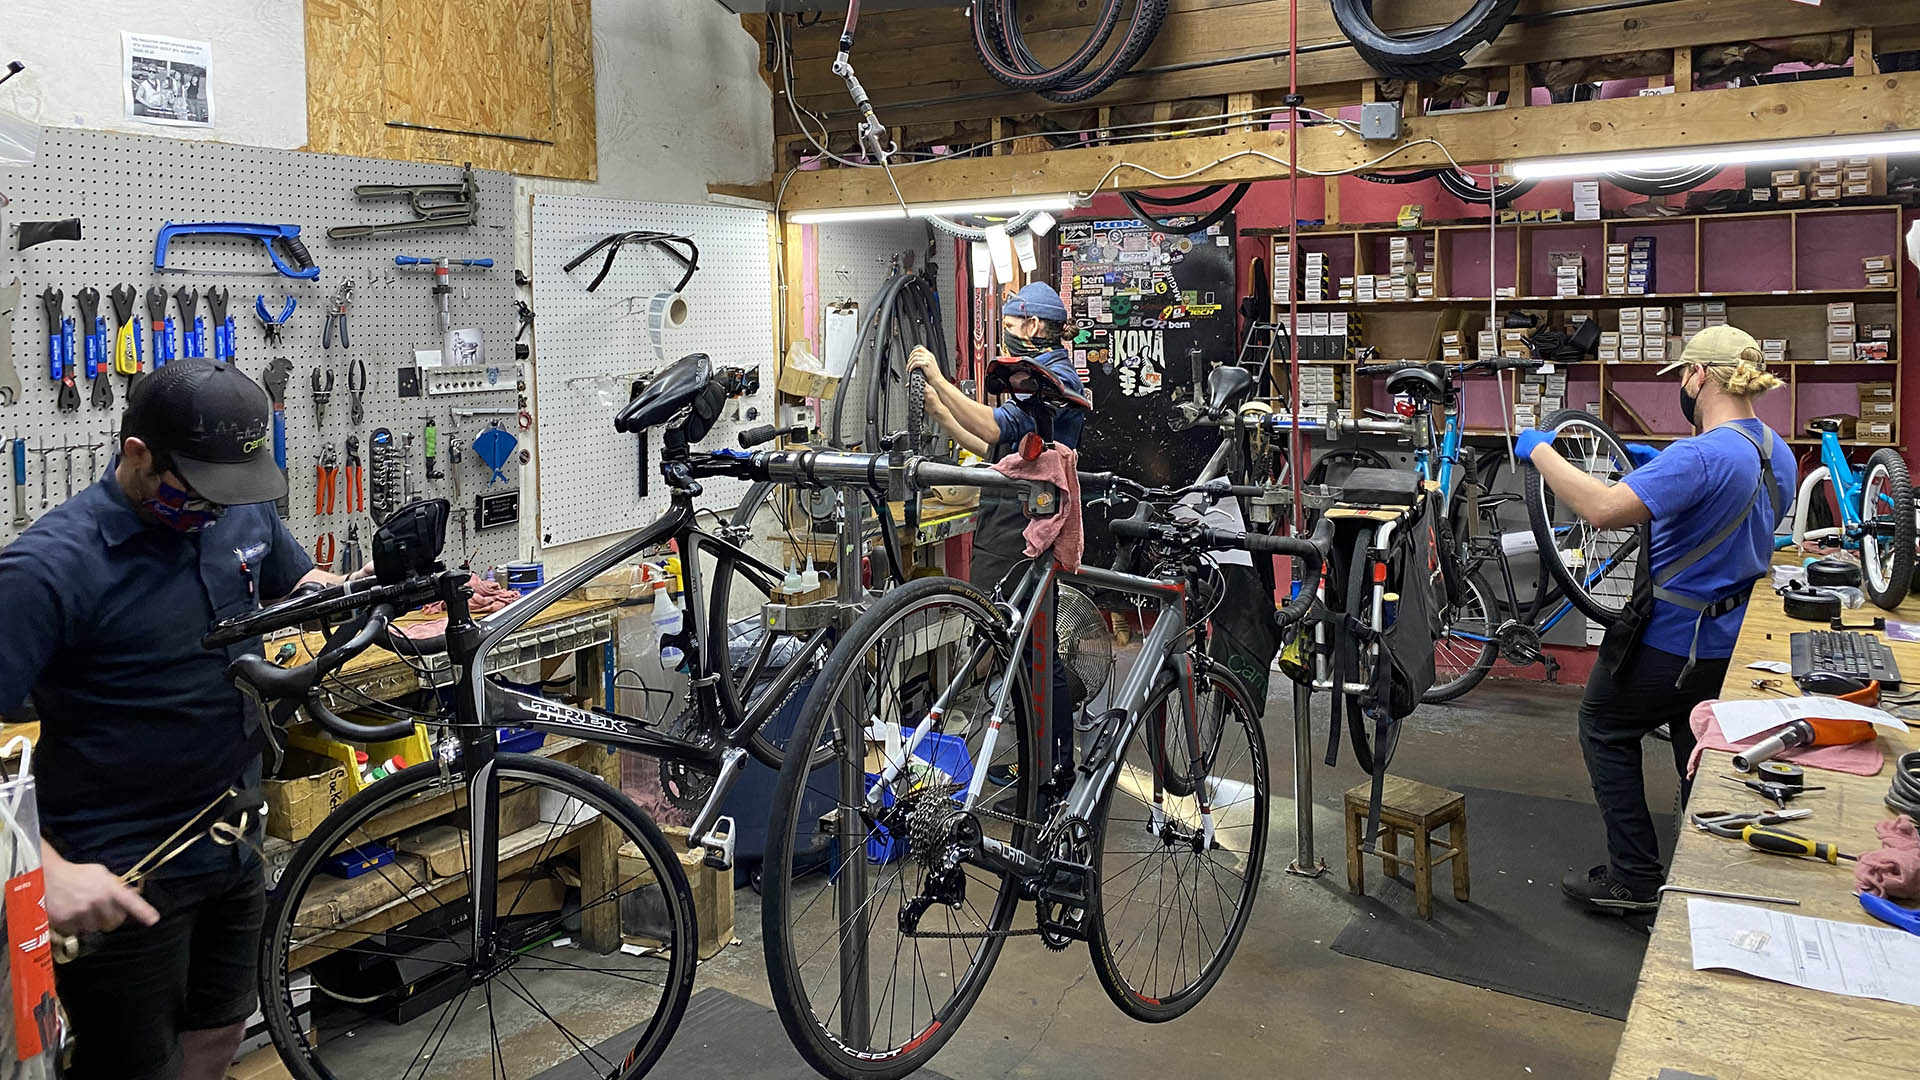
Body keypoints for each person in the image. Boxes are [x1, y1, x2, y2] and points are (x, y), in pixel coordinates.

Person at [0, 360, 339, 1080]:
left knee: (217, 1038)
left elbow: (298, 585)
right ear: (137, 456)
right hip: (117, 871)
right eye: (203, 491)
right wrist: (49, 871)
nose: (218, 510)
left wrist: (370, 596)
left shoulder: (236, 509)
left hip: (232, 840)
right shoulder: (47, 569)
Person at [1516, 325, 1795, 915]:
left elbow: (1600, 508)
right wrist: (1656, 469)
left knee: (1604, 727)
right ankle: (1704, 870)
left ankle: (1634, 881)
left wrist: (1540, 451)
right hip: (1729, 644)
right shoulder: (1776, 449)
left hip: (1670, 641)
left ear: (1697, 376)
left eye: (1682, 378)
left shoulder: (1699, 456)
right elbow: (1719, 514)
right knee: (1694, 745)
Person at [907, 281, 1089, 773]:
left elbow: (991, 427)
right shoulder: (1032, 374)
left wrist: (942, 379)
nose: (1005, 336)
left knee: (1036, 655)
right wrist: (942, 410)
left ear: (1033, 325)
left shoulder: (1049, 377)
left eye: (1010, 326)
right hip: (1005, 519)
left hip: (1024, 531)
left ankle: (1053, 768)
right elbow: (990, 444)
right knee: (1021, 652)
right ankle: (1039, 761)